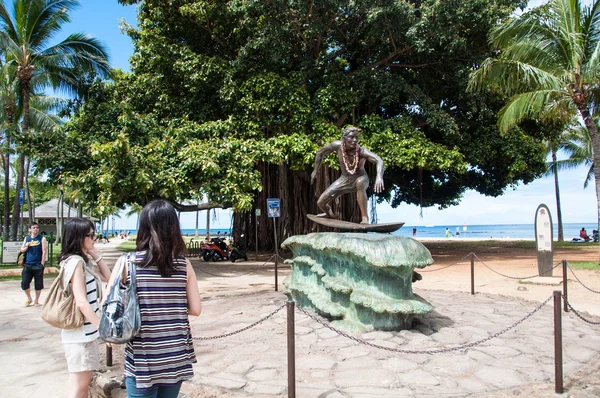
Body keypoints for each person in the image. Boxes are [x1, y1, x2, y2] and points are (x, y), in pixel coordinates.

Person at [108, 199, 202, 397]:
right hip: (176, 353)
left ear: (143, 227)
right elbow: (196, 309)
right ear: (173, 228)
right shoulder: (184, 265)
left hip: (144, 356)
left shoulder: (128, 263)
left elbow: (109, 304)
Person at [59, 218, 111, 398]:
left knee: (77, 383)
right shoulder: (75, 263)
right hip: (80, 336)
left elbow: (108, 277)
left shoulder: (83, 261)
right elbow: (81, 302)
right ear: (79, 237)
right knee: (80, 387)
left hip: (84, 334)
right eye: (90, 235)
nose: (94, 238)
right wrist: (103, 330)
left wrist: (96, 255)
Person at [311, 126, 384, 224]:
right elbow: (320, 152)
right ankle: (329, 213)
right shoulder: (337, 146)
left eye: (356, 137)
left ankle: (364, 217)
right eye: (351, 137)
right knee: (321, 203)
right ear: (344, 138)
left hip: (361, 178)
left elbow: (379, 160)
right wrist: (315, 170)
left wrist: (379, 177)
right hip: (344, 179)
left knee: (359, 182)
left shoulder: (361, 151)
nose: (354, 140)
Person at [20, 222, 48, 307]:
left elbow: (44, 251)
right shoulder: (27, 238)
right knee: (24, 283)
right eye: (34, 228)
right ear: (30, 229)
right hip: (28, 264)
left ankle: (36, 300)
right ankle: (29, 298)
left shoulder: (41, 239)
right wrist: (27, 246)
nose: (36, 229)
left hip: (37, 264)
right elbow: (22, 250)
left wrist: (42, 263)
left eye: (37, 228)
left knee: (38, 283)